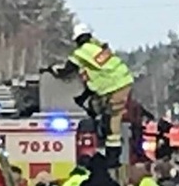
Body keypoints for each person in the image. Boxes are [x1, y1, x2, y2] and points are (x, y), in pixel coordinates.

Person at [47, 23, 134, 173]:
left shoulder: (82, 53)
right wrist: (84, 96)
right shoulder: (99, 47)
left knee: (112, 123)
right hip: (121, 83)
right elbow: (98, 75)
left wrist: (53, 71)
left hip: (115, 87)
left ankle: (113, 158)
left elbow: (67, 70)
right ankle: (111, 155)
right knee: (109, 120)